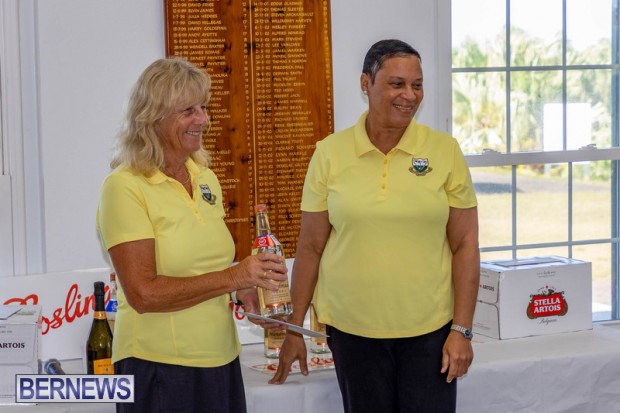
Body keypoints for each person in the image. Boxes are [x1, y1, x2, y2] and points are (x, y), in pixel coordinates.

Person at [270, 39, 480, 413]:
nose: (409, 95)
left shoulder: (444, 151)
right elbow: (311, 247)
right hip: (352, 334)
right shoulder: (330, 153)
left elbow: (465, 244)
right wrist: (295, 329)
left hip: (431, 333)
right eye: (397, 84)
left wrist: (461, 330)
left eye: (417, 85)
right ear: (365, 83)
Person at [97, 57, 287, 413]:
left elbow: (206, 267)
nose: (203, 119)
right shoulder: (124, 187)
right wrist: (235, 276)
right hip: (159, 368)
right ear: (153, 117)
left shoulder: (204, 176)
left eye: (203, 107)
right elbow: (143, 293)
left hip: (220, 360)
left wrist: (244, 292)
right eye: (188, 110)